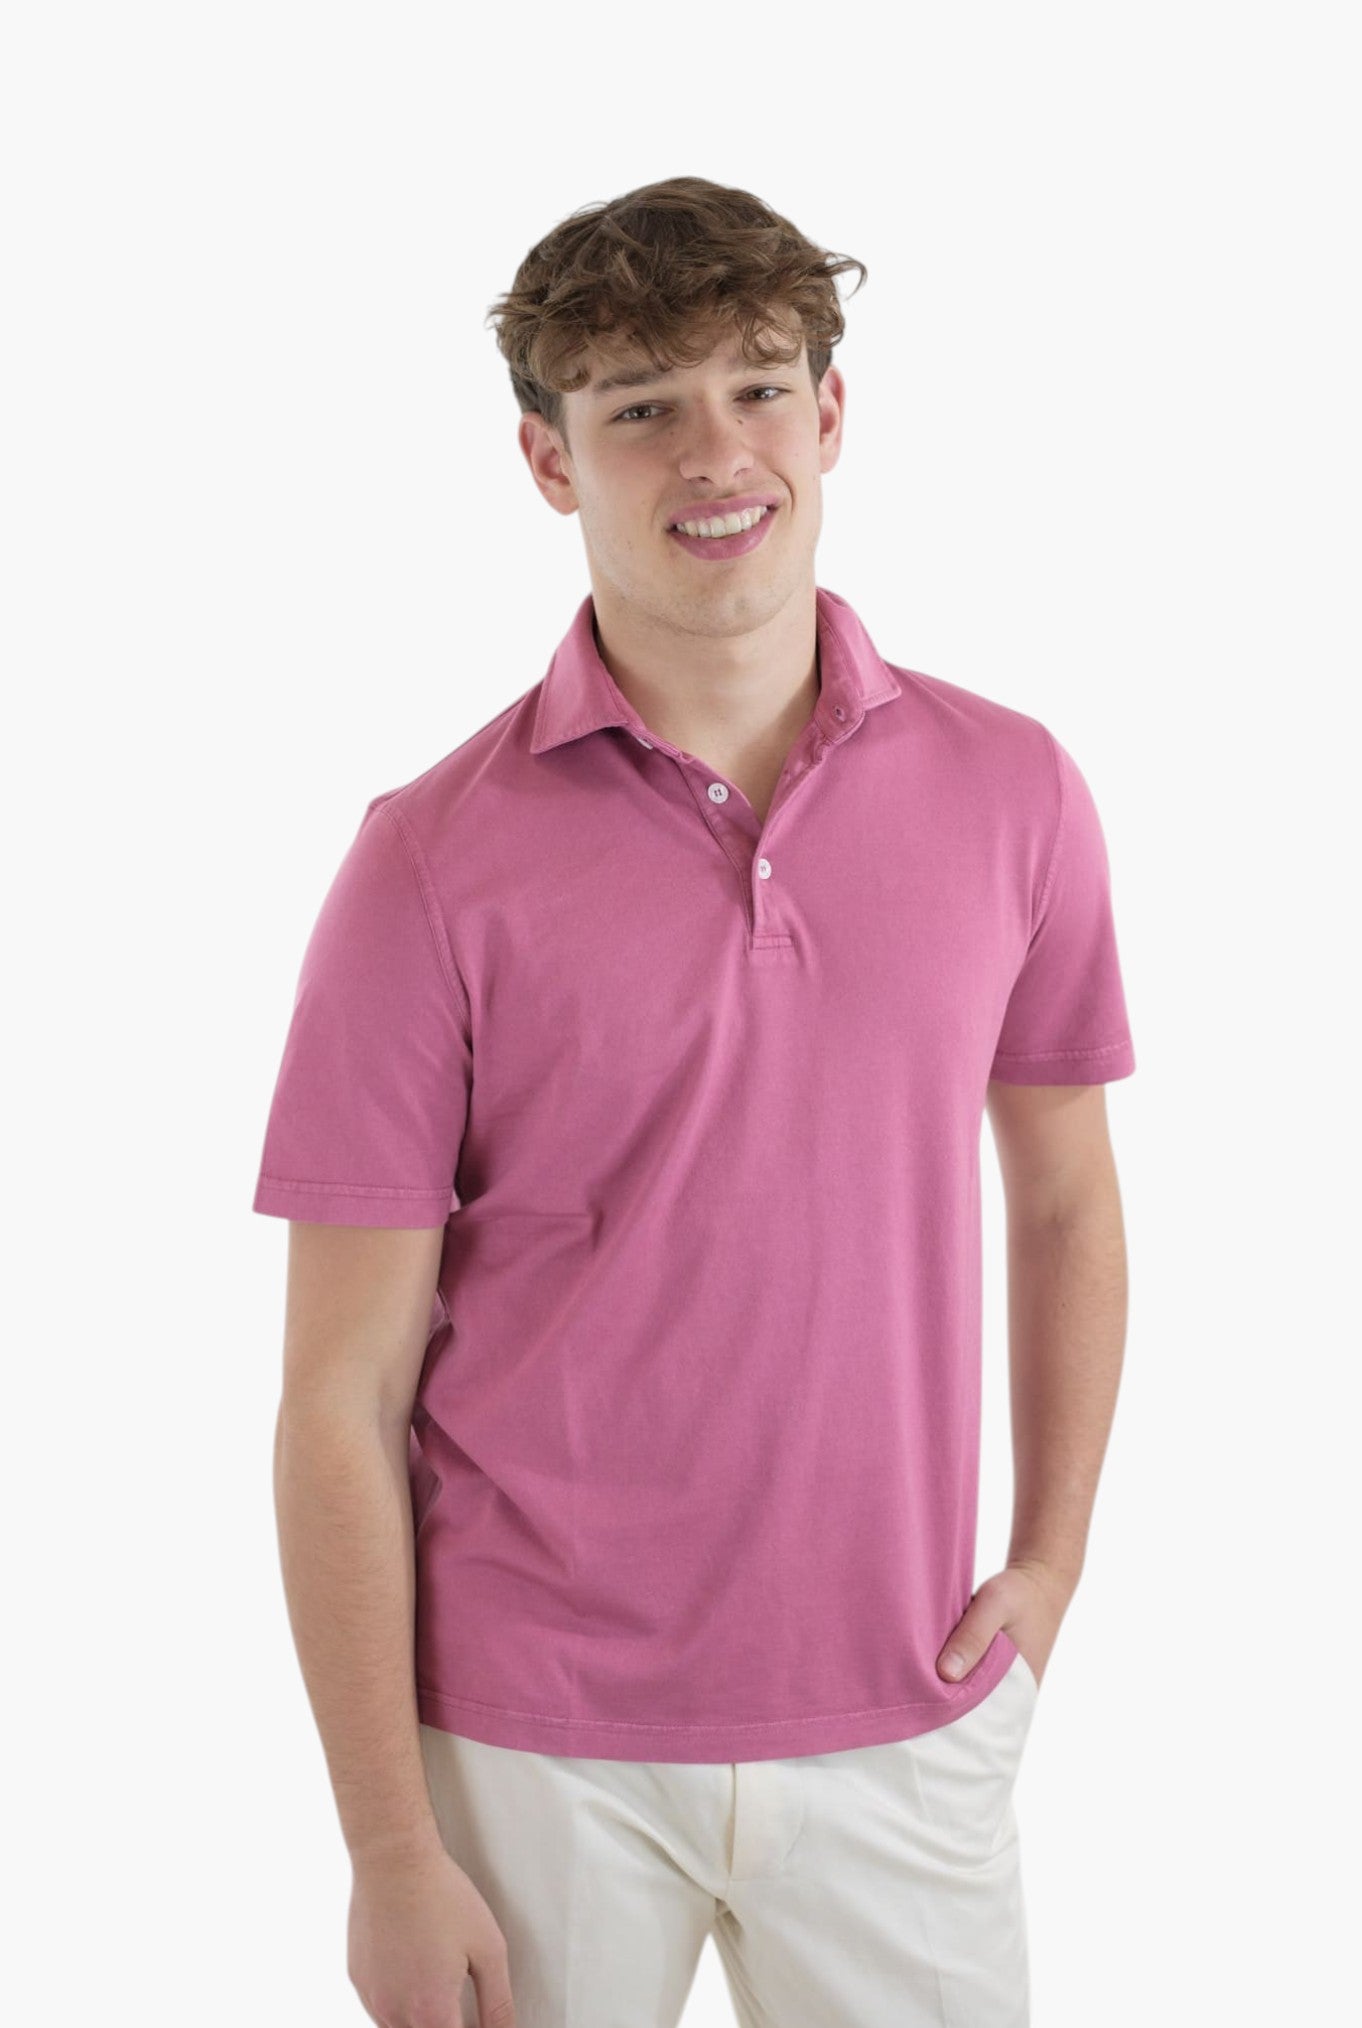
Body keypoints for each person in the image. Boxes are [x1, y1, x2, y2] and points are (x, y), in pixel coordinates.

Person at [252, 175, 1135, 2028]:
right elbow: (339, 1391)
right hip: (528, 1746)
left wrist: (1049, 1564)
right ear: (548, 460)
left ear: (831, 414)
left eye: (756, 386)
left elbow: (1063, 1195)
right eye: (641, 405)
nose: (714, 451)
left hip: (906, 1713)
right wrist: (389, 1848)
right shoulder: (426, 861)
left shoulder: (1014, 791)